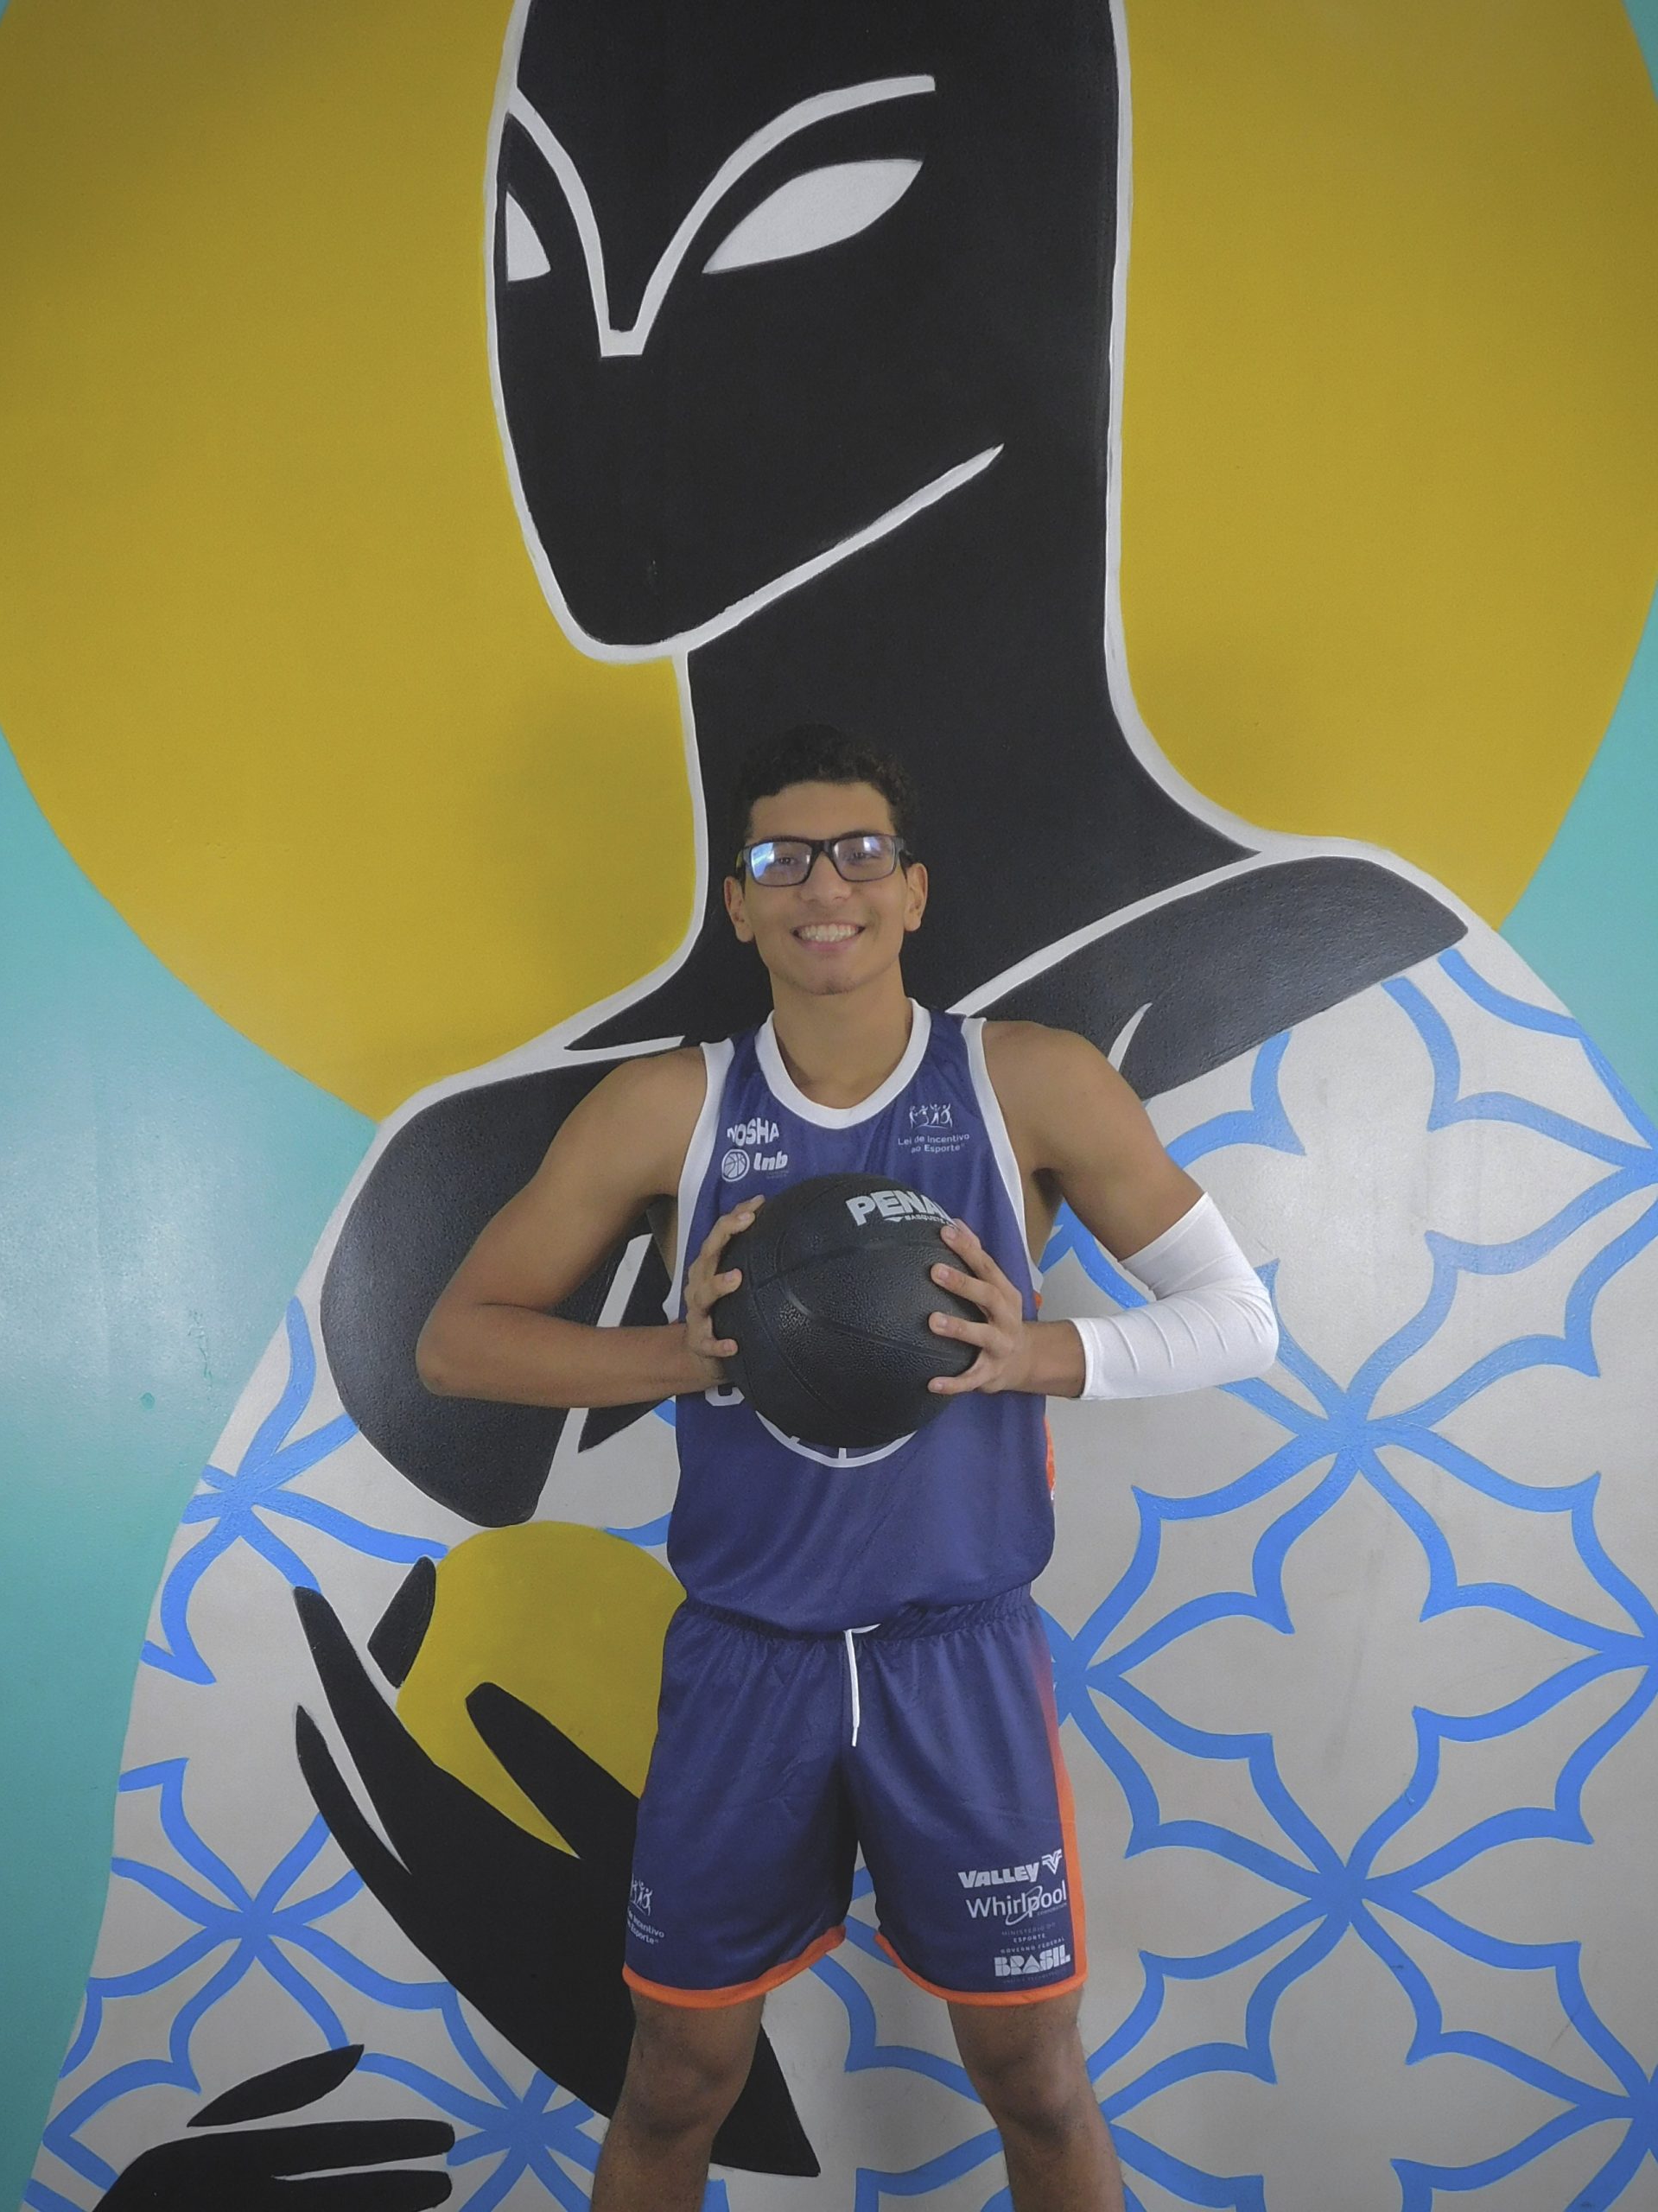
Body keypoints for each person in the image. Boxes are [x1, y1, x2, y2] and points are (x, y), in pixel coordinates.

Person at [416, 725, 1280, 2212]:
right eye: (783, 860)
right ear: (739, 904)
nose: (827, 886)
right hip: (748, 1661)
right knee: (676, 2080)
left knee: (1034, 2078)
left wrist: (1037, 1353)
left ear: (915, 891)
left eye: (862, 853)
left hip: (960, 1659)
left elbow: (1241, 1320)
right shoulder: (668, 1109)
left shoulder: (1031, 1082)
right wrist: (684, 1356)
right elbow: (456, 1345)